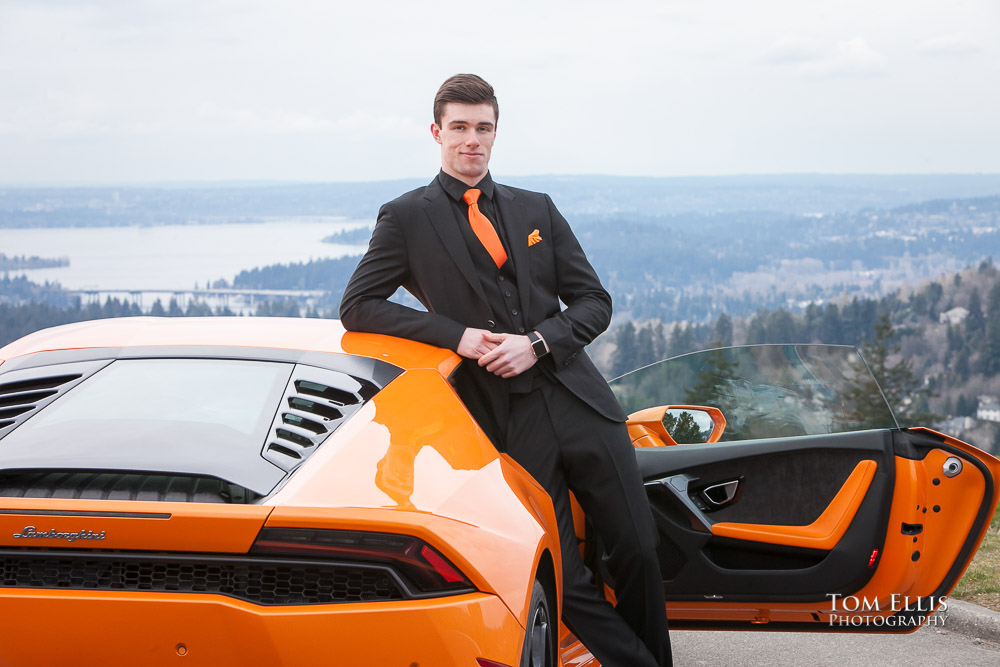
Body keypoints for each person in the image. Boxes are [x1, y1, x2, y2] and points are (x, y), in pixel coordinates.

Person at [340, 73, 671, 667]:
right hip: (505, 419)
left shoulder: (535, 207)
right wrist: (459, 337)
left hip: (581, 401)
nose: (472, 140)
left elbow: (595, 301)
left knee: (640, 549)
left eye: (483, 128)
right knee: (560, 569)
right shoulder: (406, 217)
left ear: (496, 133)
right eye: (460, 128)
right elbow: (358, 305)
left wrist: (539, 342)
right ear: (436, 133)